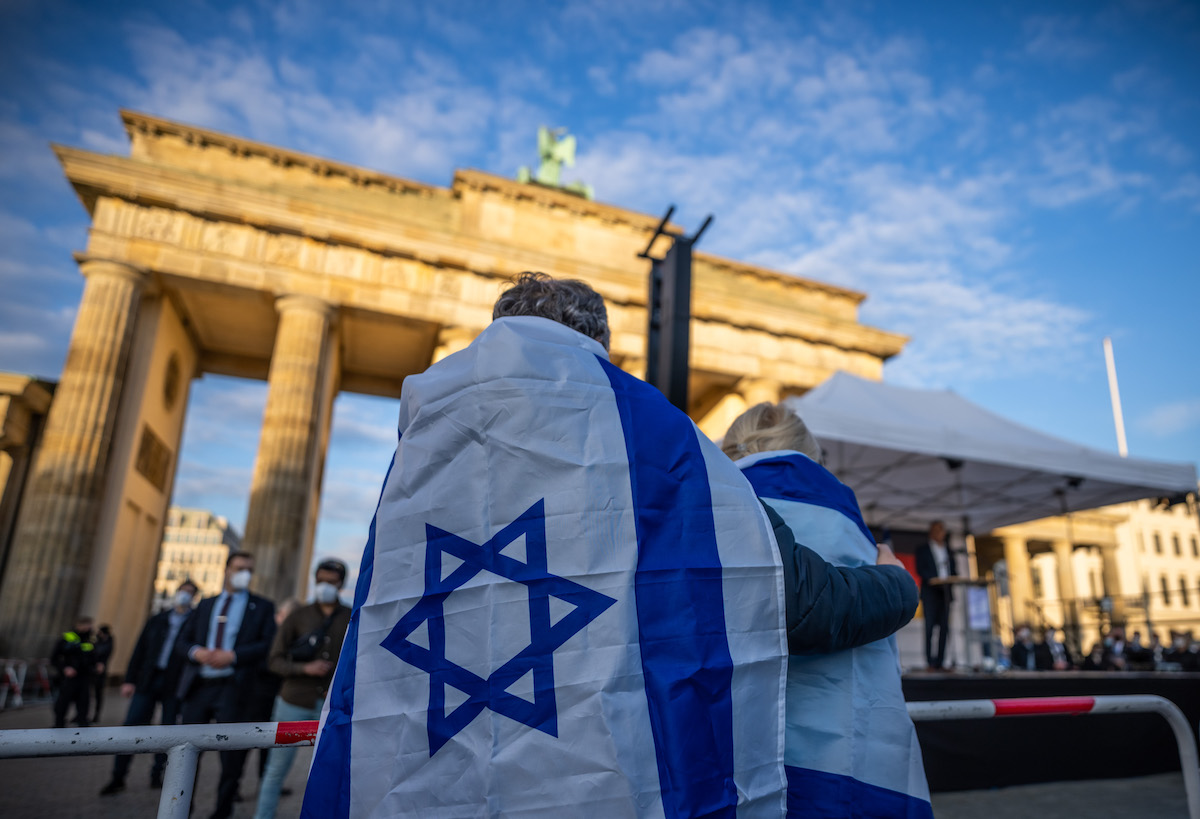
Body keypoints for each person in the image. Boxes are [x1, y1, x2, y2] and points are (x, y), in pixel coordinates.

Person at [302, 273, 920, 818]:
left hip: (433, 747)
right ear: (598, 342)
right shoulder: (652, 432)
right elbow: (798, 600)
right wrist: (897, 581)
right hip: (596, 761)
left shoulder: (422, 441)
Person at [721, 401, 929, 818]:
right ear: (810, 453)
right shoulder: (849, 520)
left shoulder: (715, 504)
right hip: (851, 761)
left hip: (734, 749)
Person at [176, 551, 276, 819]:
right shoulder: (206, 605)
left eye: (249, 569)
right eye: (240, 567)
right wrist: (196, 652)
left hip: (235, 688)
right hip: (199, 686)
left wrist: (234, 656)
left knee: (231, 758)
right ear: (226, 570)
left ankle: (223, 811)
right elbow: (183, 640)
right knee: (187, 752)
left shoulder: (262, 606)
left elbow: (267, 644)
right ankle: (181, 809)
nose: (245, 573)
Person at [253, 561, 351, 819]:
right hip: (294, 701)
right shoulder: (298, 615)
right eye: (321, 580)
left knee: (333, 771)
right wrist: (305, 669)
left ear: (341, 584)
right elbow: (274, 659)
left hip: (333, 705)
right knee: (276, 769)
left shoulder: (352, 616)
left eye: (331, 582)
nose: (325, 586)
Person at [100, 580, 198, 795]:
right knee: (132, 725)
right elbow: (140, 650)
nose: (185, 595)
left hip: (174, 684)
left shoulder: (195, 622)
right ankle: (118, 776)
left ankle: (158, 774)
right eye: (183, 591)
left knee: (169, 730)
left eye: (190, 592)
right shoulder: (157, 620)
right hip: (148, 680)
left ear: (194, 597)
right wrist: (129, 679)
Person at [915, 520, 958, 670]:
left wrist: (951, 579)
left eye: (942, 530)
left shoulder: (949, 550)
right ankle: (930, 661)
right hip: (931, 593)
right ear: (931, 532)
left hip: (945, 593)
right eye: (937, 530)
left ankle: (941, 661)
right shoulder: (923, 550)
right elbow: (921, 570)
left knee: (944, 628)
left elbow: (954, 570)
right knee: (929, 628)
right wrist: (934, 579)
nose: (940, 533)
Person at [51, 615, 99, 728]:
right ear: (79, 625)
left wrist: (97, 665)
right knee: (63, 702)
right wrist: (65, 668)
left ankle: (82, 724)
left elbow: (93, 656)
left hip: (85, 676)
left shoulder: (90, 639)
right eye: (87, 625)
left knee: (84, 702)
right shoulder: (67, 637)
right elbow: (54, 658)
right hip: (69, 677)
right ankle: (59, 724)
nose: (90, 627)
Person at [90, 624, 114, 722]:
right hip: (91, 669)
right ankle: (81, 714)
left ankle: (96, 715)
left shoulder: (109, 641)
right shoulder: (96, 640)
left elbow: (102, 652)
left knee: (98, 693)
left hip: (101, 671)